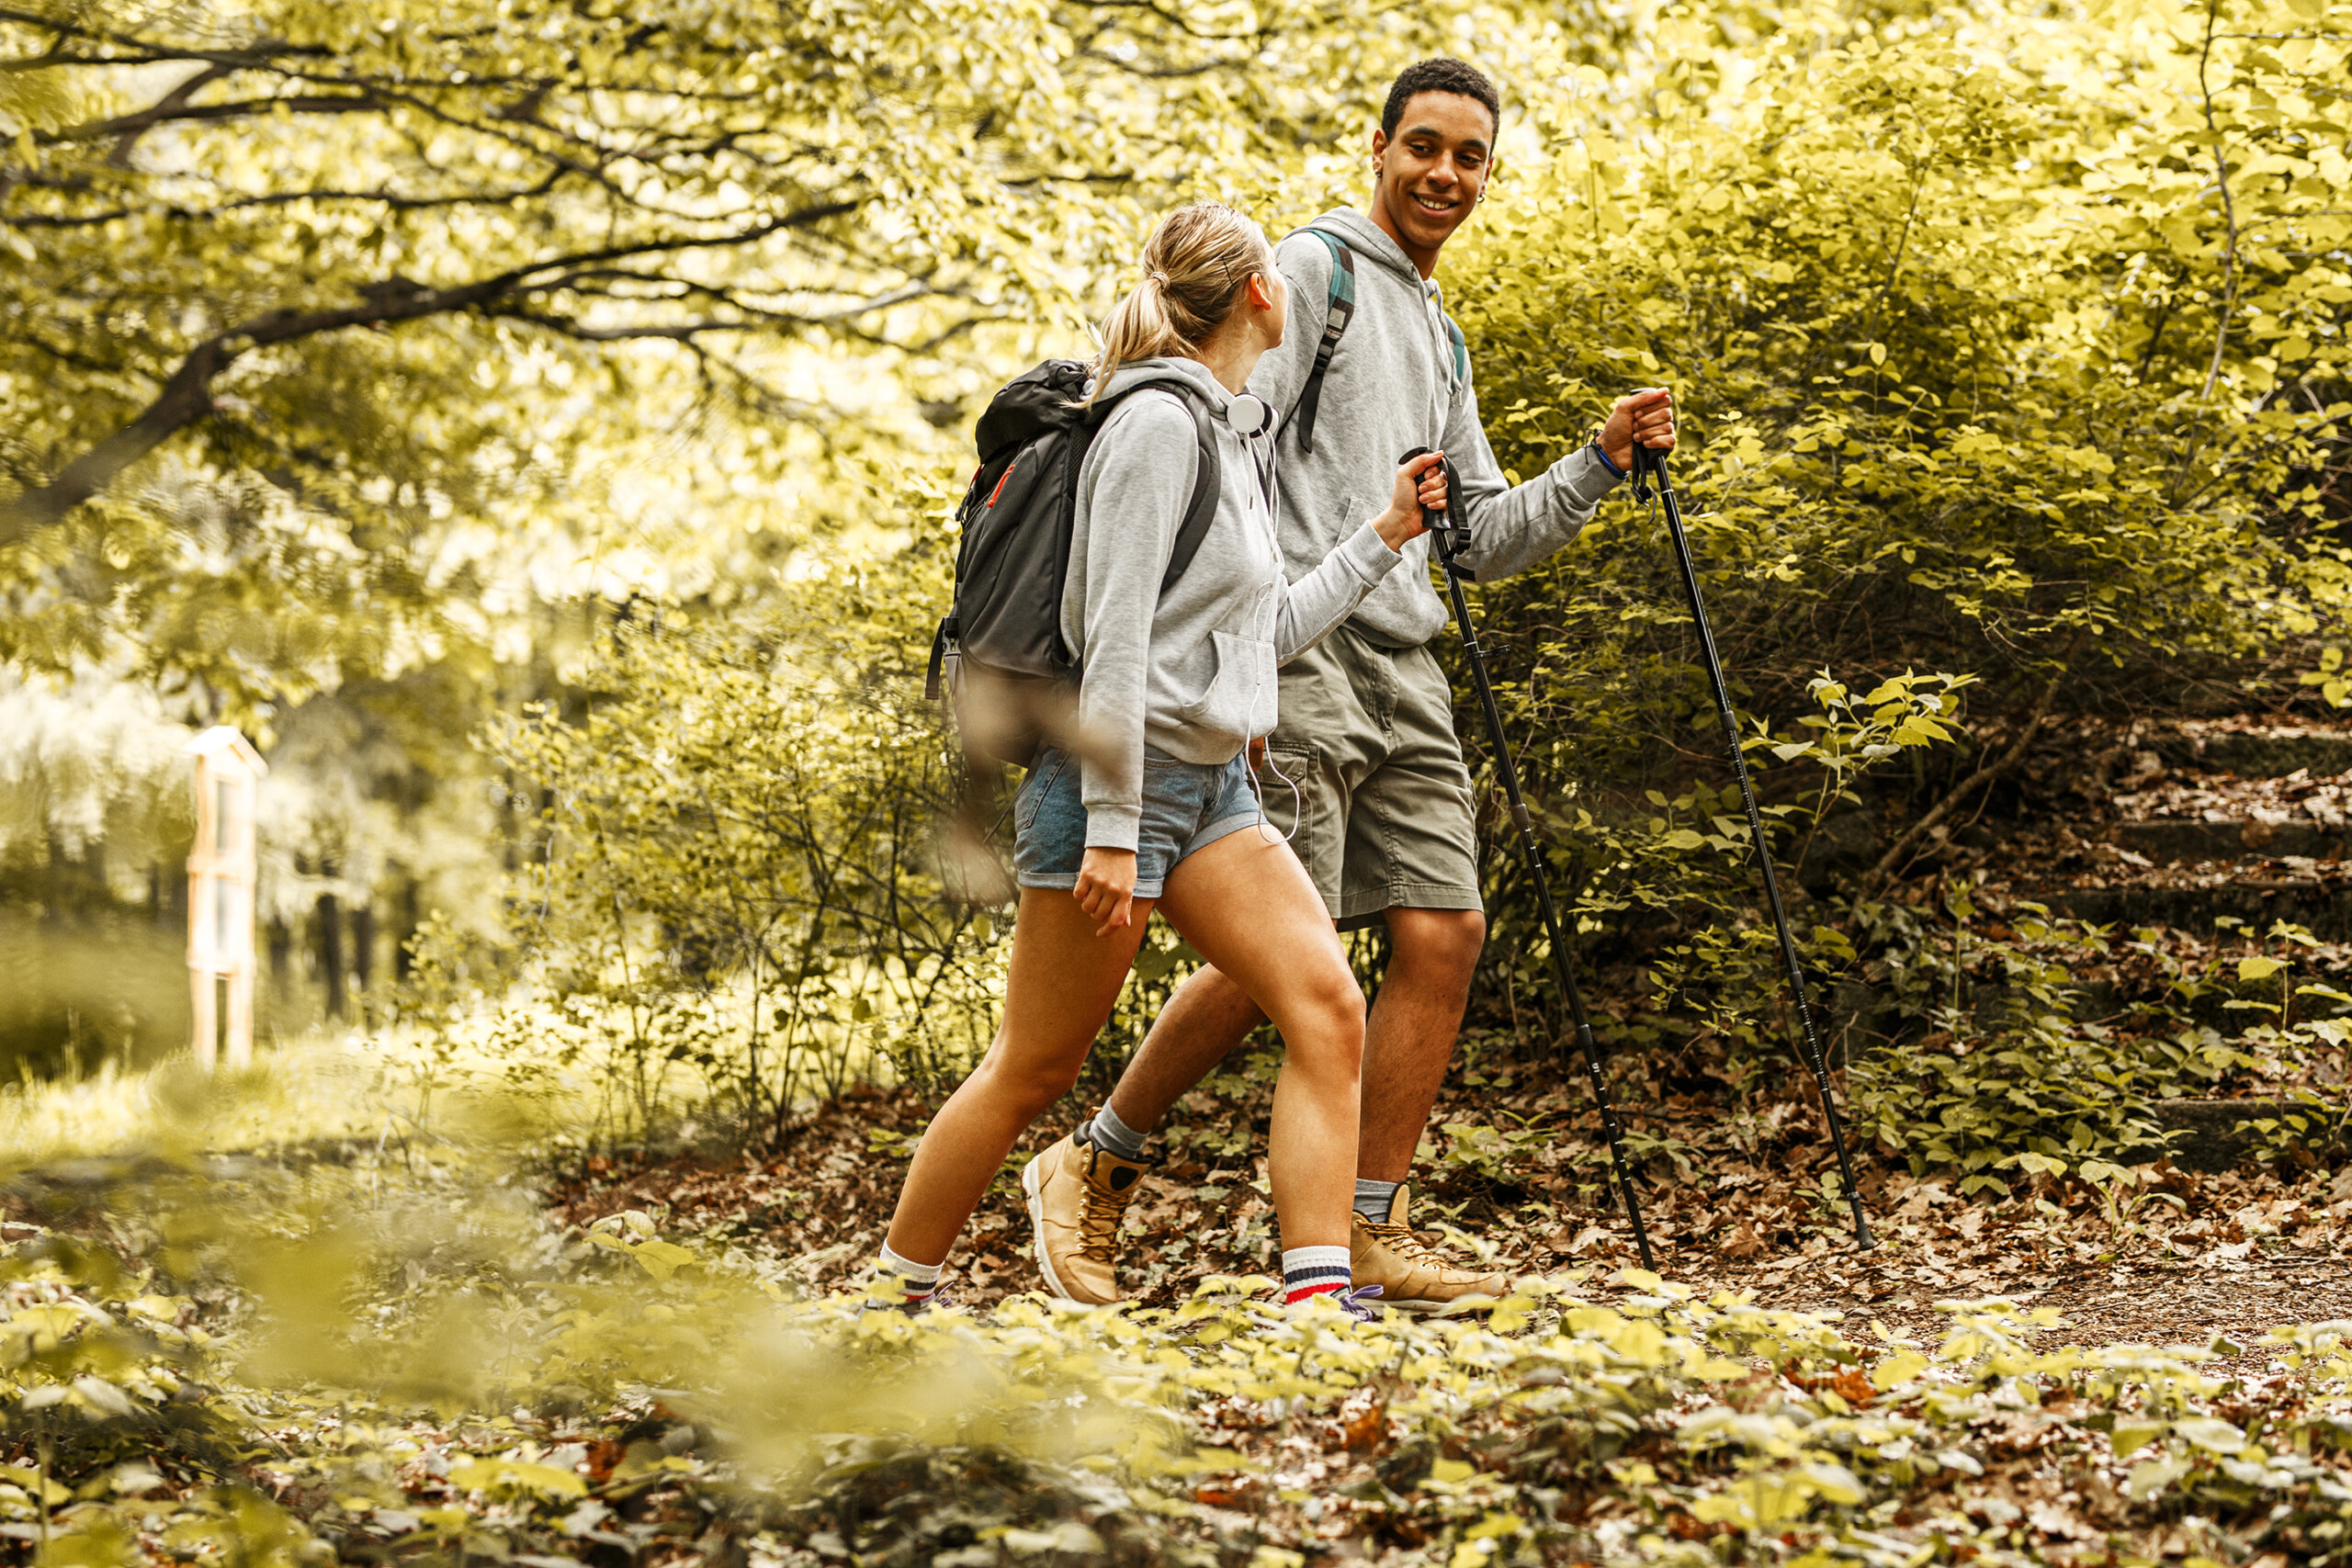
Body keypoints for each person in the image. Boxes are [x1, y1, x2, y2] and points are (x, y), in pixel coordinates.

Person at [1024, 57, 1679, 1310]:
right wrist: (1234, 668)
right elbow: (1216, 440)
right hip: (1300, 652)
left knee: (1445, 929)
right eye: (1423, 147)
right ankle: (1095, 1160)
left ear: (1489, 171)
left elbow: (1478, 537)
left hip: (1405, 657)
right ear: (1374, 147)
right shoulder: (1313, 273)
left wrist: (1597, 462)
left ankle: (1367, 1227)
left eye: (1469, 156)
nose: (1445, 173)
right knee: (1293, 947)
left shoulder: (1439, 329)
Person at [872, 201, 1451, 1315]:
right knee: (1033, 1068)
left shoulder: (1228, 431)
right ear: (1258, 294)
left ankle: (1314, 1303)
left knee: (1325, 1005)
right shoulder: (1152, 427)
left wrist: (1382, 537)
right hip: (1116, 787)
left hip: (1213, 791)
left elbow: (1260, 630)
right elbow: (1114, 643)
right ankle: (889, 1300)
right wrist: (1109, 825)